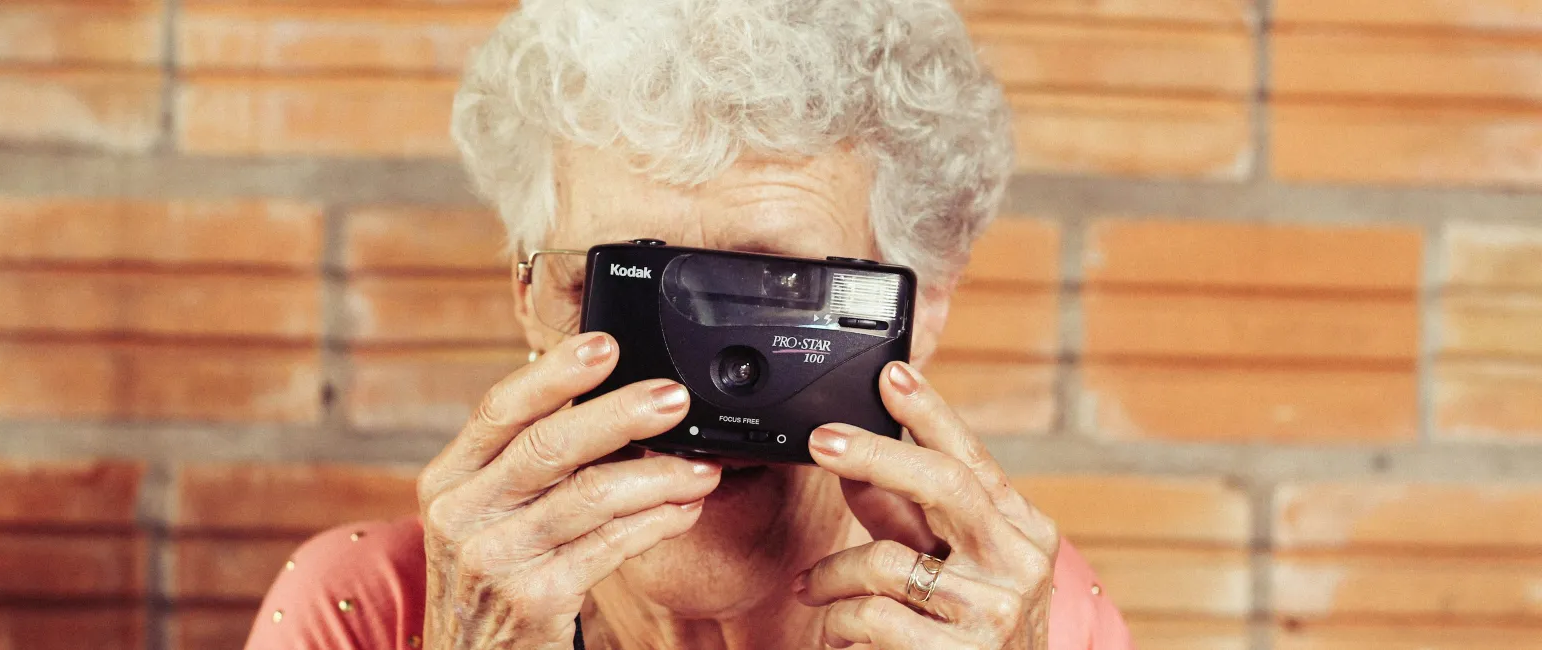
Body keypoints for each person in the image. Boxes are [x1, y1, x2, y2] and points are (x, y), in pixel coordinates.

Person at [246, 0, 1133, 648]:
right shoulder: (367, 609)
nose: (688, 394)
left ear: (921, 307)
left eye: (776, 293)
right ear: (529, 293)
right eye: (622, 290)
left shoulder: (1027, 616)